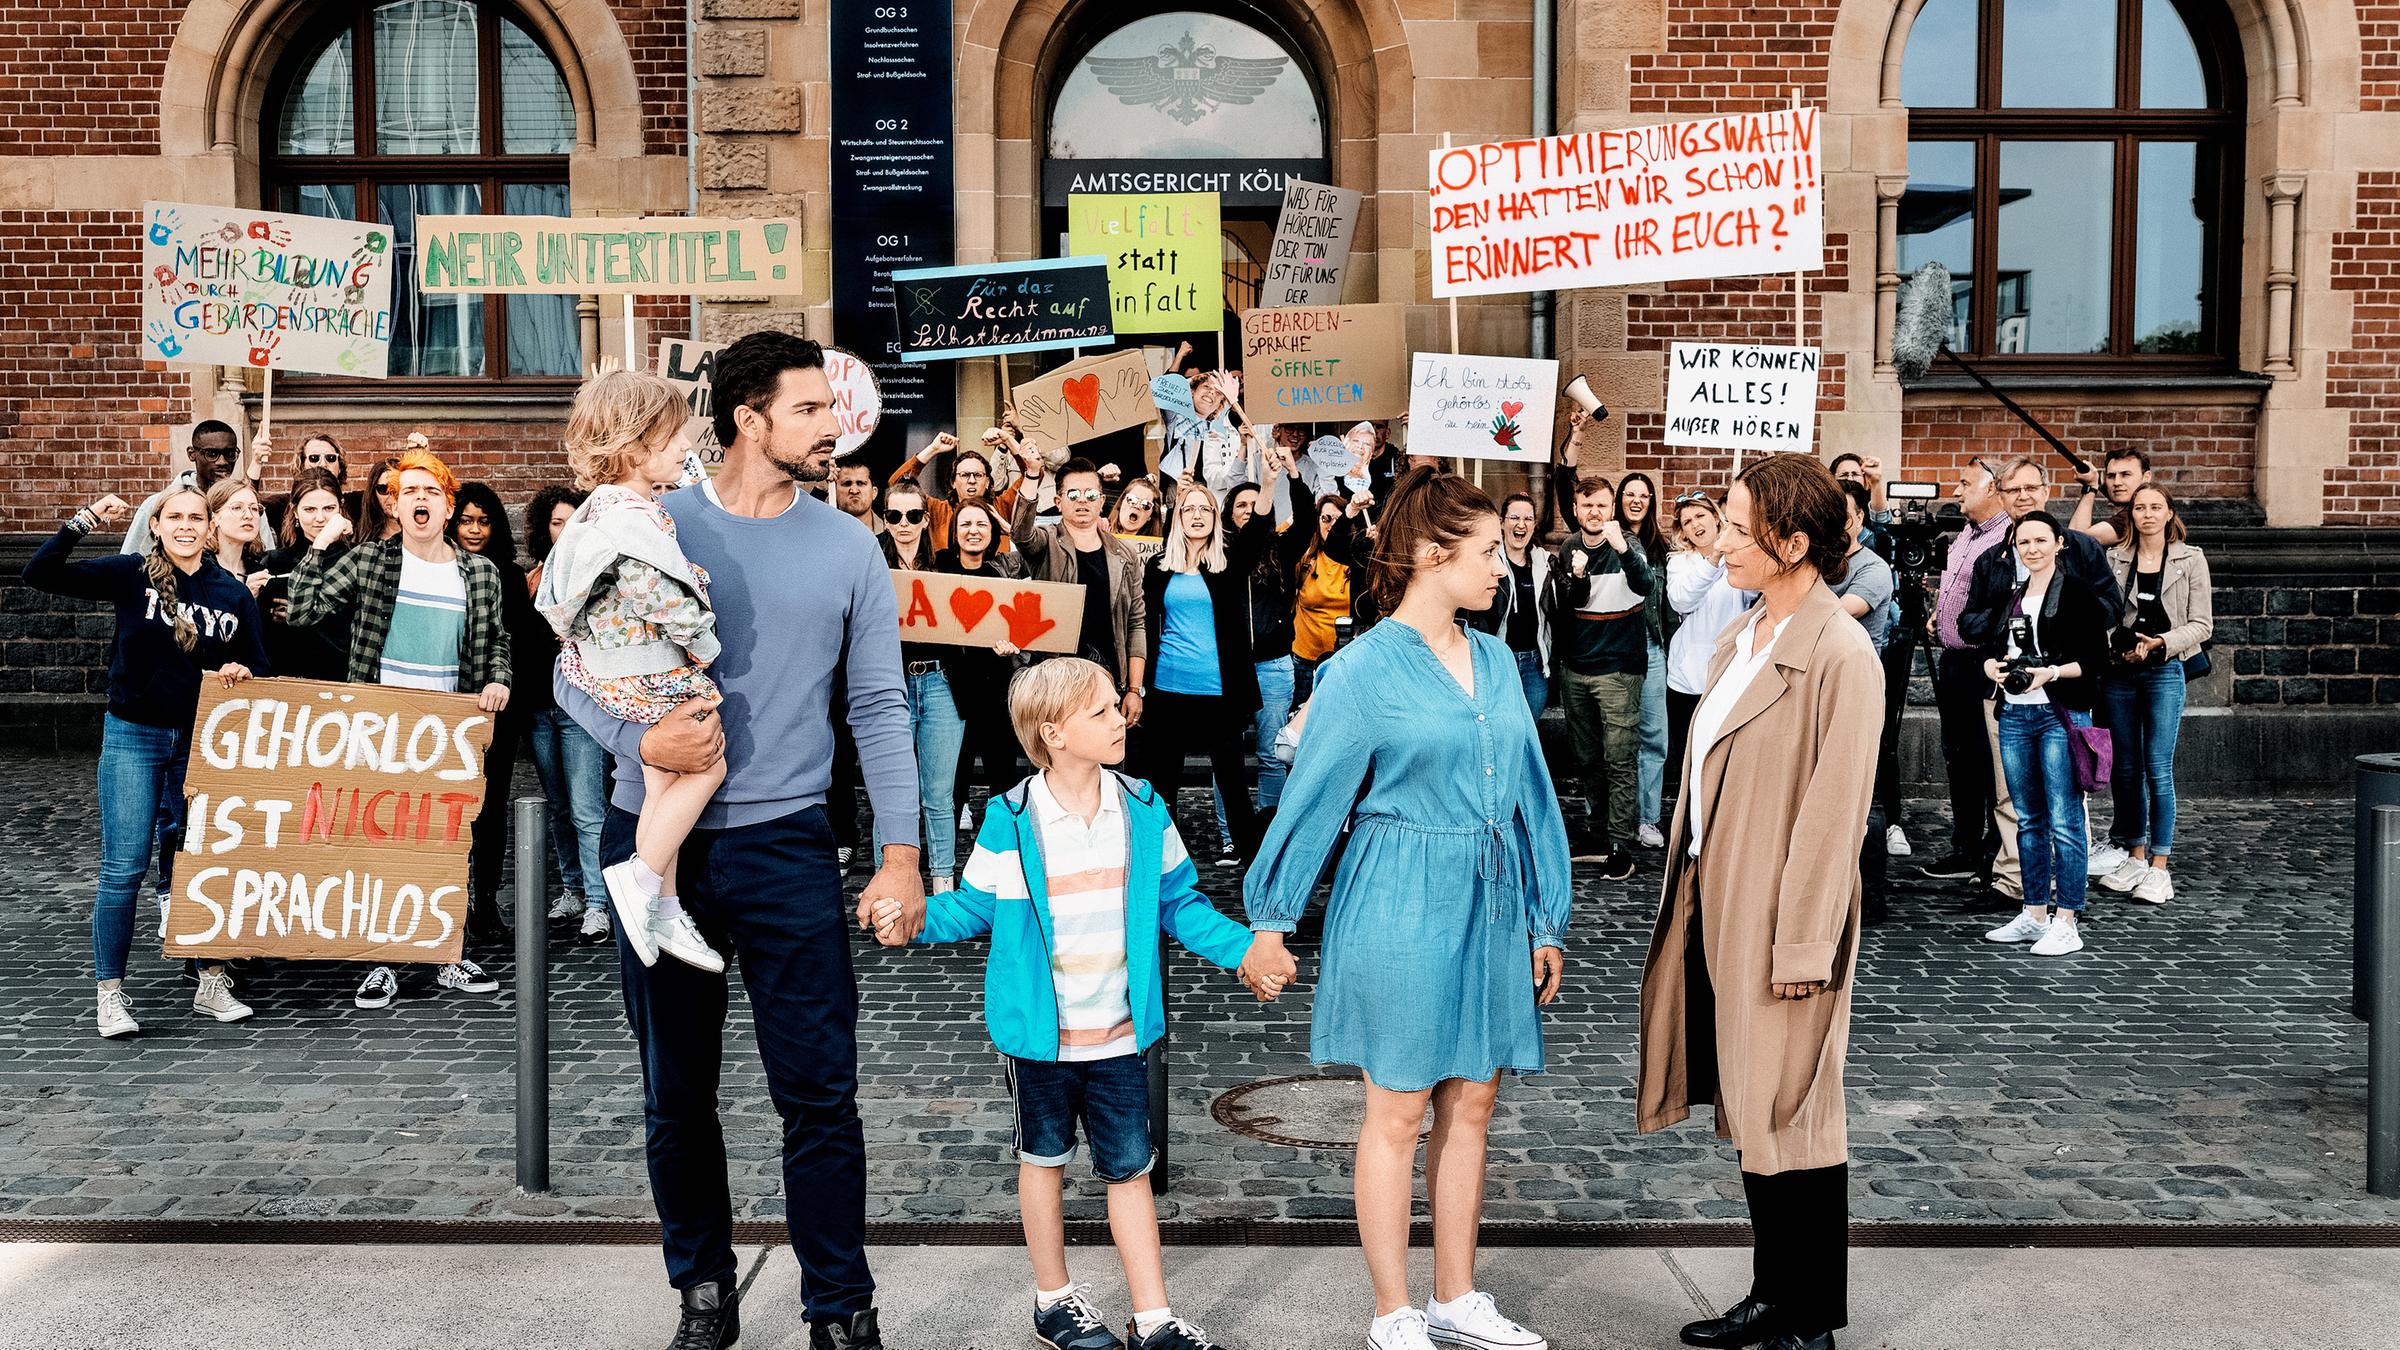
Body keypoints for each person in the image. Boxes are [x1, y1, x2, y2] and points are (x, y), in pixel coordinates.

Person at [555, 330, 918, 1350]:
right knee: (677, 1091)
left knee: (820, 1093)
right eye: (810, 409)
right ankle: (703, 1291)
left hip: (790, 848)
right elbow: (567, 669)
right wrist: (640, 733)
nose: (833, 426)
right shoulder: (644, 520)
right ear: (749, 418)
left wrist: (901, 852)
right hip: (656, 848)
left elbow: (880, 708)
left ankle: (841, 1311)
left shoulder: (850, 546)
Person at [1245, 467, 1570, 1350]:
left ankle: (1455, 1296)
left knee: (1474, 1105)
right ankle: (1394, 1310)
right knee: (1396, 1111)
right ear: (1432, 555)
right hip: (1398, 896)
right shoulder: (1357, 671)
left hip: (1493, 901)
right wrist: (1270, 919)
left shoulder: (1499, 656)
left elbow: (1532, 795)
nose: (1504, 565)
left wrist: (1547, 916)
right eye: (1490, 551)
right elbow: (1310, 798)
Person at [877, 658, 1287, 1350]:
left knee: (1131, 1168)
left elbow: (1180, 903)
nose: (1120, 716)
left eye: (1113, 706)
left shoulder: (1146, 806)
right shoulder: (1010, 818)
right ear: (1054, 733)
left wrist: (1243, 950)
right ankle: (1053, 1300)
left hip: (1123, 1036)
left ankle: (1153, 1318)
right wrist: (913, 918)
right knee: (1043, 1158)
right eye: (1099, 711)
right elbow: (974, 907)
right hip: (1040, 1037)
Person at [1636, 453, 1881, 1350]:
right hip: (1719, 898)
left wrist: (1804, 946)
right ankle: (1775, 1293)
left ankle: (1807, 1317)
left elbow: (1834, 813)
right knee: (1752, 1104)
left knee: (1796, 1113)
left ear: (1793, 542)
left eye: (1740, 530)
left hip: (1784, 918)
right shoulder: (1745, 635)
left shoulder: (1839, 653)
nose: (1722, 543)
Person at [27, 486, 265, 1036]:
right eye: (173, 517)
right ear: (155, 525)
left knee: (202, 863)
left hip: (203, 743)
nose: (185, 525)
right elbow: (39, 573)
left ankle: (211, 980)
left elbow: (258, 666)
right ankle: (110, 994)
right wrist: (86, 519)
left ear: (211, 528)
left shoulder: (231, 594)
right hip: (133, 735)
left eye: (196, 517)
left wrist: (241, 673)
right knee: (124, 867)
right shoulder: (131, 573)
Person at [282, 447, 508, 1008]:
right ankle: (381, 960)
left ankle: (444, 953)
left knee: (447, 840)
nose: (420, 500)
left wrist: (498, 678)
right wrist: (320, 544)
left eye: (431, 492)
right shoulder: (371, 562)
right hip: (380, 722)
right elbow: (305, 608)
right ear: (396, 505)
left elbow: (498, 639)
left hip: (448, 724)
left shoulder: (478, 572)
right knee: (380, 838)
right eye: (409, 492)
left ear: (449, 505)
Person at [538, 372, 729, 975]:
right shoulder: (632, 517)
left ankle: (666, 907)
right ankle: (642, 876)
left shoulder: (600, 510)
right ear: (639, 445)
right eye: (676, 440)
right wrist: (699, 631)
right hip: (647, 667)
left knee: (661, 779)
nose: (687, 451)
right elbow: (653, 587)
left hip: (608, 667)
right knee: (708, 763)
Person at [1961, 457, 2127, 888]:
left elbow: (2111, 607)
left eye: (2031, 488)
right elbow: (1969, 621)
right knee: (2011, 796)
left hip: (2065, 693)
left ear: (2047, 491)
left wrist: (2066, 628)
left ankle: (2066, 885)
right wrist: (2005, 623)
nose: (2023, 497)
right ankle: (2018, 883)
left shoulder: (2080, 549)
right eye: (2014, 490)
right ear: (2001, 495)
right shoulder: (1992, 559)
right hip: (2007, 694)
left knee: (2067, 800)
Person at [1965, 511, 2113, 957]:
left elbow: (2096, 660)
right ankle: (2033, 913)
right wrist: (1991, 666)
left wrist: (2048, 672)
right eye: (2022, 542)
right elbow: (1995, 649)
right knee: (2027, 820)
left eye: (2040, 540)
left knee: (2065, 821)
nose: (2031, 549)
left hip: (2059, 715)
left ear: (2059, 544)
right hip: (2014, 715)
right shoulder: (2011, 596)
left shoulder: (2078, 595)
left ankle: (2067, 920)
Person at [1137, 481, 1275, 862]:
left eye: (1205, 509)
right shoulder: (1158, 566)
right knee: (1163, 784)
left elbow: (1259, 528)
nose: (1197, 515)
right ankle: (1161, 861)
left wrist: (1272, 479)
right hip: (1167, 689)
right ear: (1177, 518)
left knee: (1233, 785)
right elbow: (1144, 623)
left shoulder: (1228, 563)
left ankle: (1253, 864)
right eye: (1189, 509)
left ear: (1215, 518)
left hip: (1220, 693)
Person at [2095, 485, 2210, 906]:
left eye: (2155, 507)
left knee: (2158, 769)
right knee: (2124, 768)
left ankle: (2161, 867)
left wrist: (2160, 641)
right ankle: (2136, 855)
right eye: (2139, 507)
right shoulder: (2114, 558)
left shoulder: (2190, 559)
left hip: (2165, 670)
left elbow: (2202, 624)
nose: (2146, 514)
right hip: (2120, 673)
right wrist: (2117, 642)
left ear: (2168, 513)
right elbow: (2101, 612)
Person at [1924, 458, 2022, 906]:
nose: (1958, 491)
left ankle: (1991, 851)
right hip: (1954, 660)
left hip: (1983, 660)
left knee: (1987, 759)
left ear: (1994, 490)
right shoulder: (1965, 533)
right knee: (1957, 753)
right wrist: (1938, 616)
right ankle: (1964, 844)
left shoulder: (2008, 537)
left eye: (1966, 484)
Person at [454, 480, 547, 944]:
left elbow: (518, 642)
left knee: (491, 809)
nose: (474, 530)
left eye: (484, 521)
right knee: (448, 809)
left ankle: (485, 902)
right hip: (449, 703)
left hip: (498, 709)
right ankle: (449, 904)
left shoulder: (508, 575)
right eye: (467, 520)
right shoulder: (438, 568)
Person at [1551, 474, 1653, 880]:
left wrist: (1623, 549)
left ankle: (1619, 843)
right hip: (1577, 668)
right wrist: (1577, 577)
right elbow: (1573, 603)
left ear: (1612, 509)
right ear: (1576, 510)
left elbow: (1645, 584)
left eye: (1602, 506)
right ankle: (1597, 832)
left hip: (1617, 669)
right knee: (1588, 758)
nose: (1595, 512)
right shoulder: (1568, 547)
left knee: (1619, 757)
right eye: (1587, 505)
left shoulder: (1628, 545)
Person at [524, 483, 614, 942]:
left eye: (572, 520)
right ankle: (574, 889)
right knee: (558, 807)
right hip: (540, 706)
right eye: (556, 521)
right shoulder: (532, 579)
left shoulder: (598, 577)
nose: (563, 529)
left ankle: (599, 903)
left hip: (580, 708)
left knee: (587, 808)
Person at [871, 478, 967, 891]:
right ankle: (888, 883)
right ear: (885, 518)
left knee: (939, 795)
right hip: (890, 683)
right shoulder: (870, 559)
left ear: (926, 519)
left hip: (941, 682)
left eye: (913, 515)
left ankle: (942, 882)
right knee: (892, 794)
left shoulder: (946, 563)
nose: (904, 523)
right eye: (895, 516)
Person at [1010, 450, 1149, 722]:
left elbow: (1136, 622)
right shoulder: (1046, 542)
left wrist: (1134, 689)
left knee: (1108, 760)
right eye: (1073, 495)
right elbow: (1020, 534)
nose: (1082, 501)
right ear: (1058, 502)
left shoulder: (1125, 555)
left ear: (1102, 502)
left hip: (1108, 682)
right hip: (1055, 681)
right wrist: (1031, 473)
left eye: (1090, 495)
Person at [1830, 481, 1898, 923]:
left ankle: (1870, 897)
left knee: (1859, 794)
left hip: (1855, 686)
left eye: (1843, 513)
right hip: (1813, 686)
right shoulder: (1815, 565)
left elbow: (1836, 611)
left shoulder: (1871, 567)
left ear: (1857, 520)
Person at [936, 501, 1027, 821]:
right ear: (954, 531)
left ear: (991, 533)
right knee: (953, 766)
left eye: (981, 525)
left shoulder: (999, 574)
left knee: (1000, 765)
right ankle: (952, 825)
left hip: (994, 685)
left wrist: (1008, 528)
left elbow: (1032, 559)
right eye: (965, 524)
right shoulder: (939, 568)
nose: (973, 531)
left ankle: (1001, 830)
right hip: (950, 687)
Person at [1663, 491, 1751, 806]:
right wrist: (1713, 559)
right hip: (1688, 678)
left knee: (1725, 754)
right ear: (1682, 531)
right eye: (1687, 521)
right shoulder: (1680, 562)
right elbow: (1681, 599)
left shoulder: (1739, 555)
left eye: (1700, 515)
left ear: (1716, 517)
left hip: (1728, 673)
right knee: (1691, 756)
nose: (1695, 524)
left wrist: (1733, 548)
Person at [259, 469, 354, 682]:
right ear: (295, 511)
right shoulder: (274, 563)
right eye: (309, 509)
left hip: (340, 683)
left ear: (341, 507)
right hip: (285, 683)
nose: (320, 518)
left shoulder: (356, 560)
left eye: (329, 508)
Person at [1618, 472, 1672, 849]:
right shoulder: (1606, 538)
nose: (1636, 500)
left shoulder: (1660, 546)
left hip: (1652, 648)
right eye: (1630, 494)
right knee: (1617, 739)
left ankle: (1648, 819)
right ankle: (1614, 816)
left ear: (1651, 503)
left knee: (1654, 738)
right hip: (1616, 648)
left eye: (1644, 495)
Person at [1466, 491, 1554, 717]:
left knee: (1529, 731)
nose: (1521, 524)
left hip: (1535, 664)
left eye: (1528, 519)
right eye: (1514, 518)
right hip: (1500, 661)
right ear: (1502, 522)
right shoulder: (1488, 562)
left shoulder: (1545, 563)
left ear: (1534, 525)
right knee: (1502, 728)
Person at [122, 420, 241, 556]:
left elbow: (264, 555)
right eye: (212, 454)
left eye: (230, 454)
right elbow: (129, 560)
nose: (222, 461)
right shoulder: (157, 504)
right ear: (191, 454)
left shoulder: (247, 506)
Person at [887, 433, 1019, 552]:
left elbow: (1033, 473)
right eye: (965, 475)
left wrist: (1008, 440)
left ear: (987, 482)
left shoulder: (1001, 507)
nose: (971, 480)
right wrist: (933, 449)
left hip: (992, 577)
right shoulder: (938, 511)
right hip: (948, 578)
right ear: (953, 482)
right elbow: (898, 486)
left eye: (978, 475)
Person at [1152, 365, 1244, 500]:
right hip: (1179, 483)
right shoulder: (1175, 417)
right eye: (1206, 387)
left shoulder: (1221, 428)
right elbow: (1162, 387)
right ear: (1192, 392)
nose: (1212, 392)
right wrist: (1200, 378)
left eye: (1218, 393)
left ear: (1219, 405)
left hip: (1211, 489)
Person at [2068, 446, 2152, 548]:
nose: (2117, 482)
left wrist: (2090, 486)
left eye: (2126, 474)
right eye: (2111, 476)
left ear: (2146, 477)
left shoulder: (2137, 513)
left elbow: (2076, 540)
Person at [831, 461, 886, 537]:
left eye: (860, 483)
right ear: (835, 491)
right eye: (847, 483)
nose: (854, 491)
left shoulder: (891, 534)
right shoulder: (825, 531)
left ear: (874, 492)